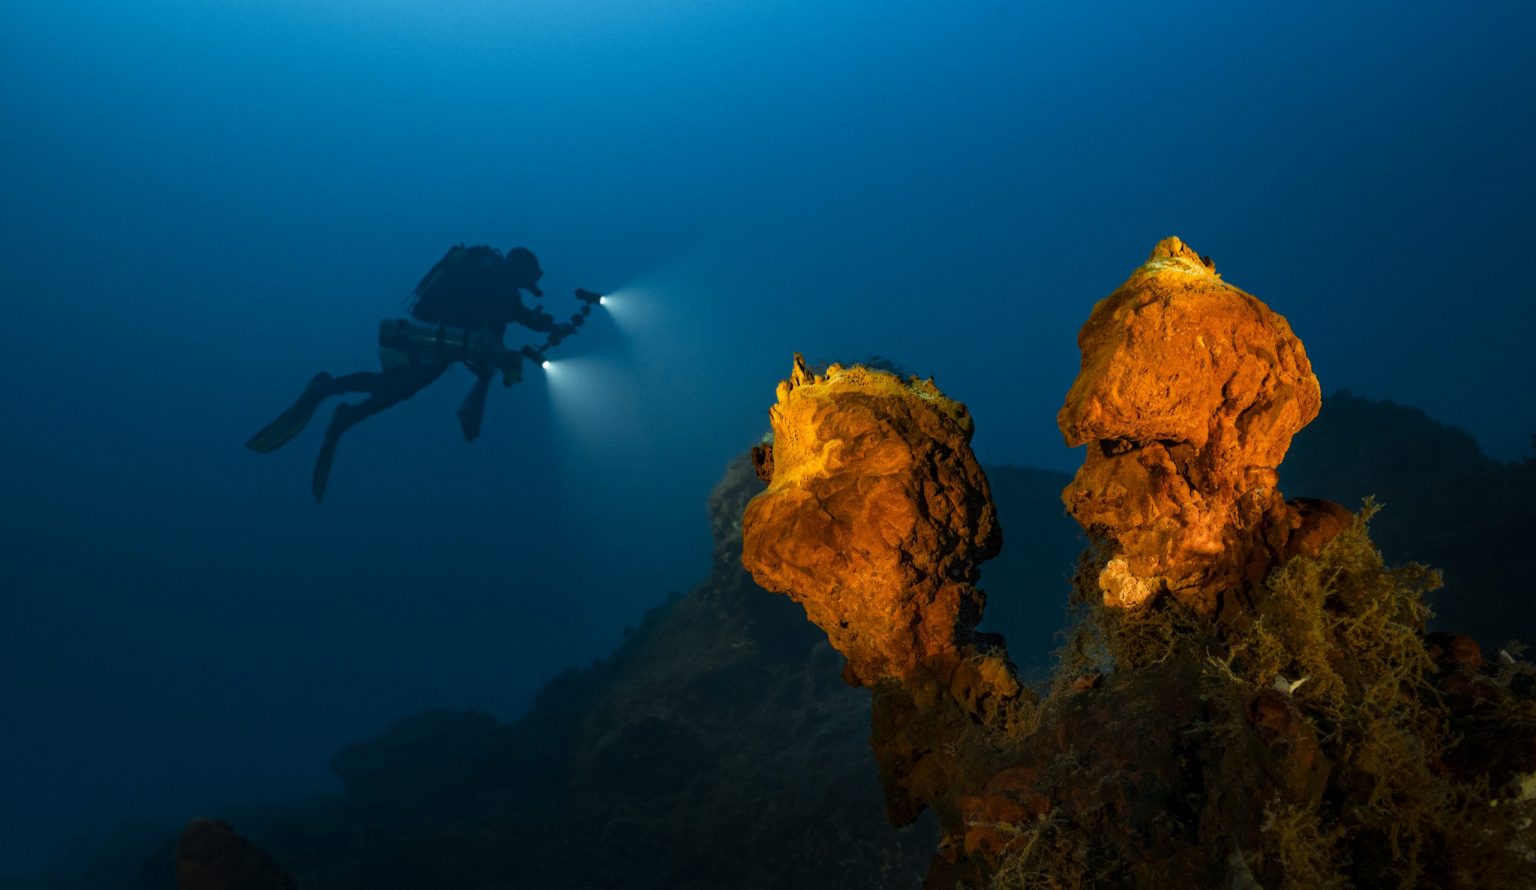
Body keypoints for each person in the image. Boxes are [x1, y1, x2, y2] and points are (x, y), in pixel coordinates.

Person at [246, 245, 558, 501]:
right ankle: (330, 398)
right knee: (396, 387)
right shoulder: (495, 282)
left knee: (395, 388)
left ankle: (338, 407)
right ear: (519, 270)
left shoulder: (501, 289)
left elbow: (513, 319)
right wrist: (522, 338)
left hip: (441, 344)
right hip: (438, 342)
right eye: (526, 279)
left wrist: (544, 327)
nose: (525, 286)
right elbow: (505, 318)